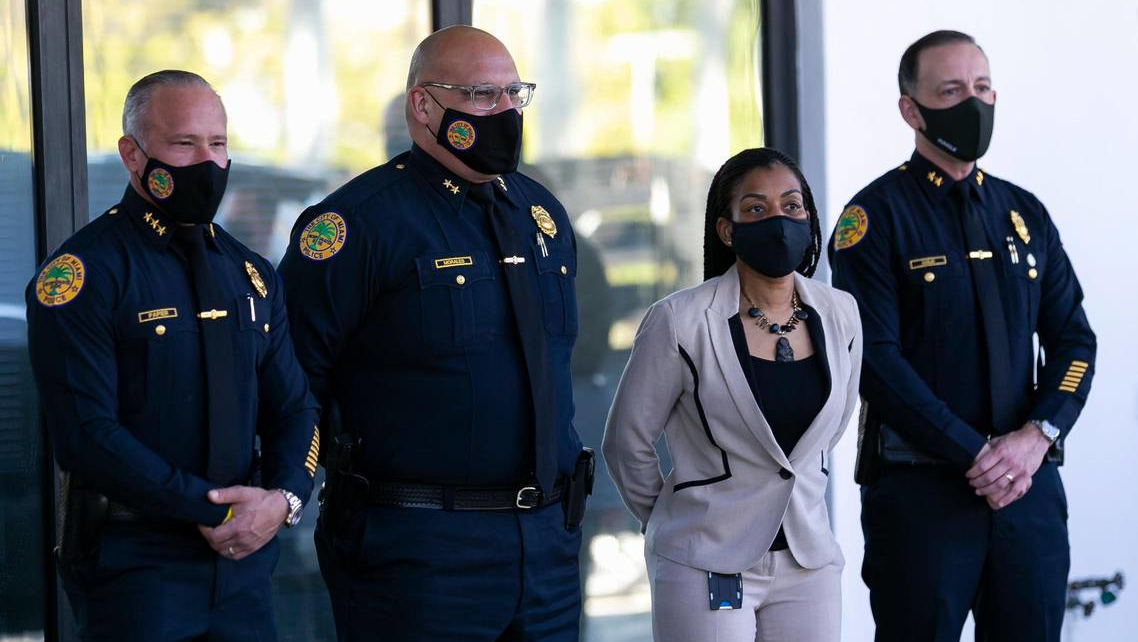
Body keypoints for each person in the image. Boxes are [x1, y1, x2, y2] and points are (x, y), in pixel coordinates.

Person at [278, 26, 592, 641]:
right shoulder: (357, 225)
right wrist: (287, 490)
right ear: (423, 107)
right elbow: (292, 380)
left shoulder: (540, 213)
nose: (504, 112)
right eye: (481, 95)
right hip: (418, 552)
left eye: (513, 94)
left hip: (547, 546)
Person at [25, 70, 320, 641]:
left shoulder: (251, 273)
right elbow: (86, 435)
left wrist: (283, 500)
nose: (207, 163)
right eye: (183, 144)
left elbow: (296, 409)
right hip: (136, 566)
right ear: (132, 155)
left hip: (243, 565)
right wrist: (212, 510)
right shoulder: (83, 275)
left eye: (218, 144)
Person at [828, 30, 1096, 641]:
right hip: (923, 499)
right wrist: (975, 454)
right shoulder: (873, 218)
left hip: (1027, 494)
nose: (971, 103)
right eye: (950, 90)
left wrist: (1037, 436)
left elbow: (1075, 340)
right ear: (910, 109)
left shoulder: (1023, 214)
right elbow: (878, 363)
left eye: (981, 88)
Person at [604, 147, 862, 642]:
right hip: (704, 558)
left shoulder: (841, 314)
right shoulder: (679, 320)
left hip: (808, 560)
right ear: (727, 229)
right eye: (756, 209)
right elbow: (626, 443)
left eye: (792, 206)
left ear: (809, 218)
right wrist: (676, 516)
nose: (778, 221)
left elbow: (833, 426)